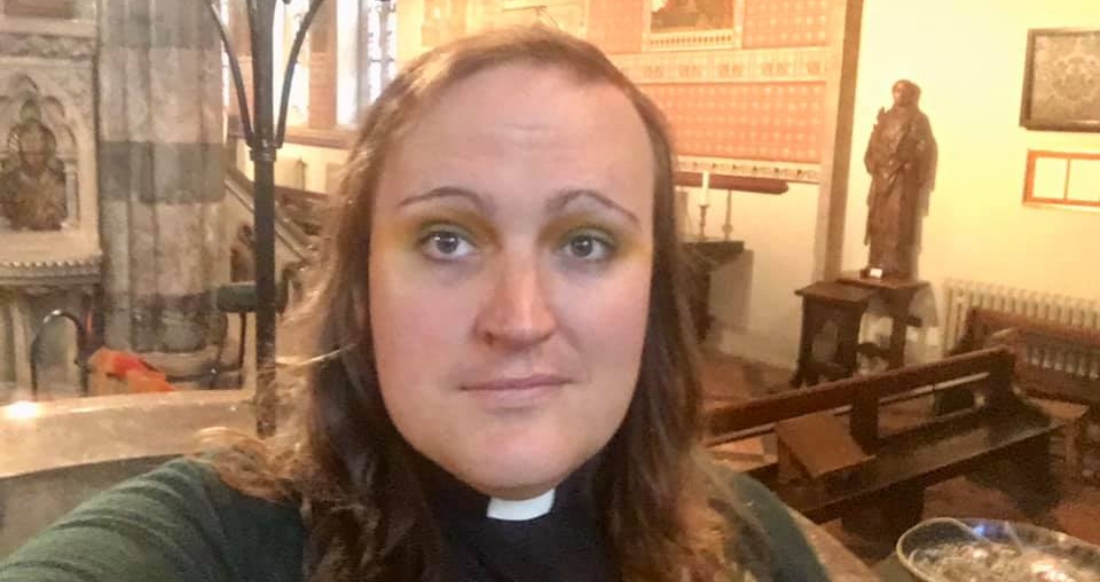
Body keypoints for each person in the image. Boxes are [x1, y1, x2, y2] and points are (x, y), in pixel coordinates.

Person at [0, 27, 829, 582]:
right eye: (447, 239)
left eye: (585, 243)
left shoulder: (746, 541)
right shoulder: (223, 539)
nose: (519, 320)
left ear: (653, 293)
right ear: (360, 287)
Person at [862, 79, 935, 280]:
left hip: (901, 178)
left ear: (912, 95)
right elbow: (873, 143)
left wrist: (908, 163)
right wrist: (873, 162)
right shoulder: (885, 117)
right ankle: (875, 262)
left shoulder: (918, 119)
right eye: (896, 91)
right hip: (880, 177)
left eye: (903, 91)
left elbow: (924, 147)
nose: (899, 95)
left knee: (897, 222)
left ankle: (895, 266)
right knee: (878, 221)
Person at [0, 102, 67, 231]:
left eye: (39, 139)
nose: (34, 147)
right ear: (19, 148)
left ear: (47, 148)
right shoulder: (8, 183)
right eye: (28, 140)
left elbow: (61, 214)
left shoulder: (57, 182)